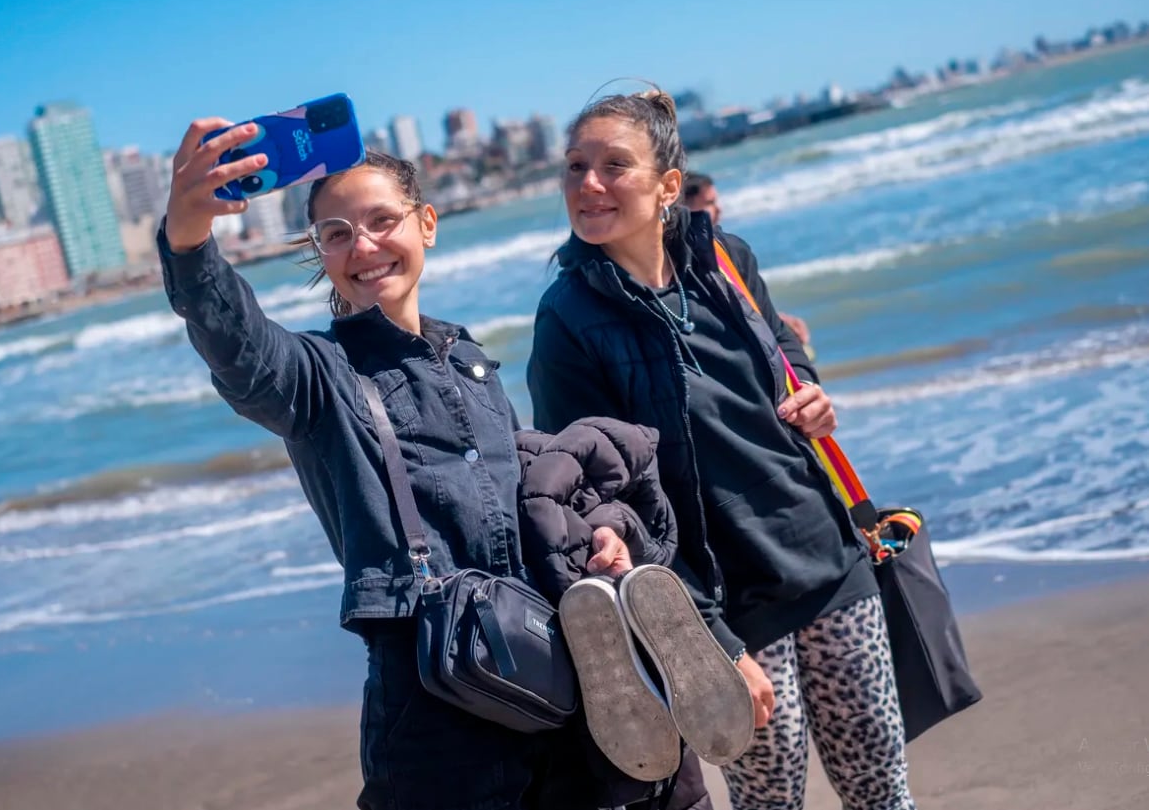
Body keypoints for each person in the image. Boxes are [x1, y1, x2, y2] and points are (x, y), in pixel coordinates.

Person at [159, 127, 675, 810]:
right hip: (430, 698)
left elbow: (523, 501)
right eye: (337, 234)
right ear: (321, 252)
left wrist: (595, 538)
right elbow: (241, 351)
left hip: (539, 663)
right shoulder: (318, 376)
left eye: (382, 221)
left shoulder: (469, 358)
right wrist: (189, 239)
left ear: (425, 223)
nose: (364, 247)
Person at [527, 91, 916, 810]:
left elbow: (785, 350)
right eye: (576, 166)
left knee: (882, 792)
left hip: (826, 554)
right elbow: (597, 496)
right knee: (770, 803)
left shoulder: (726, 259)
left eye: (614, 165)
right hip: (724, 602)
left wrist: (813, 393)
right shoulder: (567, 321)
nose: (589, 183)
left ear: (667, 185)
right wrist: (707, 640)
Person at [682, 172, 814, 355]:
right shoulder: (684, 264)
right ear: (683, 205)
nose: (719, 210)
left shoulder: (730, 250)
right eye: (709, 203)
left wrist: (777, 321)